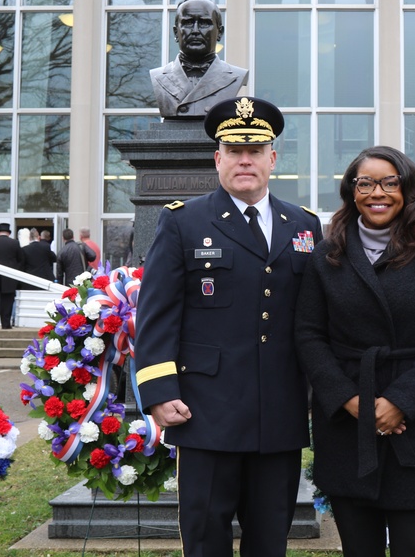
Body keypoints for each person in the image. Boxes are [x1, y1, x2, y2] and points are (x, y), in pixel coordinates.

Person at [134, 96, 323, 557]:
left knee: (270, 539)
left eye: (255, 150)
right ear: (217, 158)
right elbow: (157, 314)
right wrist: (158, 392)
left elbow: (317, 320)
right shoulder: (183, 221)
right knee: (205, 536)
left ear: (272, 159)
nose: (245, 160)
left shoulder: (304, 225)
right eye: (234, 150)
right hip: (204, 411)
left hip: (279, 411)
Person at [294, 146, 415, 557]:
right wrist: (350, 401)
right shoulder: (327, 254)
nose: (379, 192)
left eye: (390, 182)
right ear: (351, 191)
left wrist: (401, 402)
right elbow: (308, 333)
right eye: (366, 182)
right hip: (347, 425)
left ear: (406, 190)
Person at [149, 0, 249, 119]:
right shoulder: (158, 76)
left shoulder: (236, 75)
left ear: (219, 33)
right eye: (188, 23)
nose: (195, 30)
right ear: (176, 33)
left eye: (204, 23)